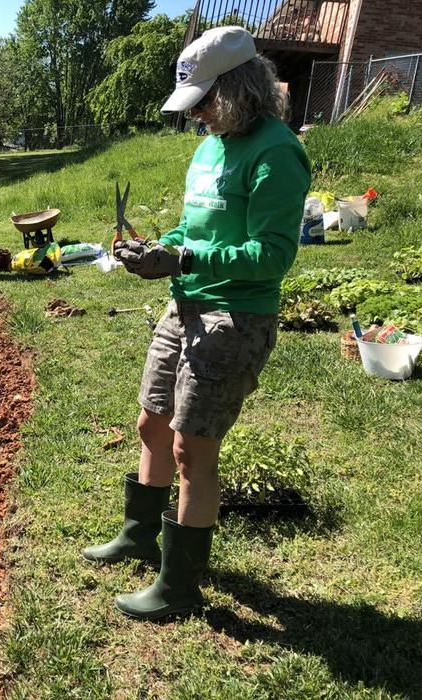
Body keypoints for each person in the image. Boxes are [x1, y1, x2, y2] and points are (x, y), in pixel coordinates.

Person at [82, 26, 311, 620]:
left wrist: (186, 258)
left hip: (234, 316)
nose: (200, 116)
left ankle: (178, 587)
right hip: (182, 307)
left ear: (238, 89)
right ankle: (139, 534)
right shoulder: (209, 148)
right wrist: (162, 247)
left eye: (206, 102)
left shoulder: (276, 152)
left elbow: (272, 254)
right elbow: (196, 231)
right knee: (151, 424)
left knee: (191, 448)